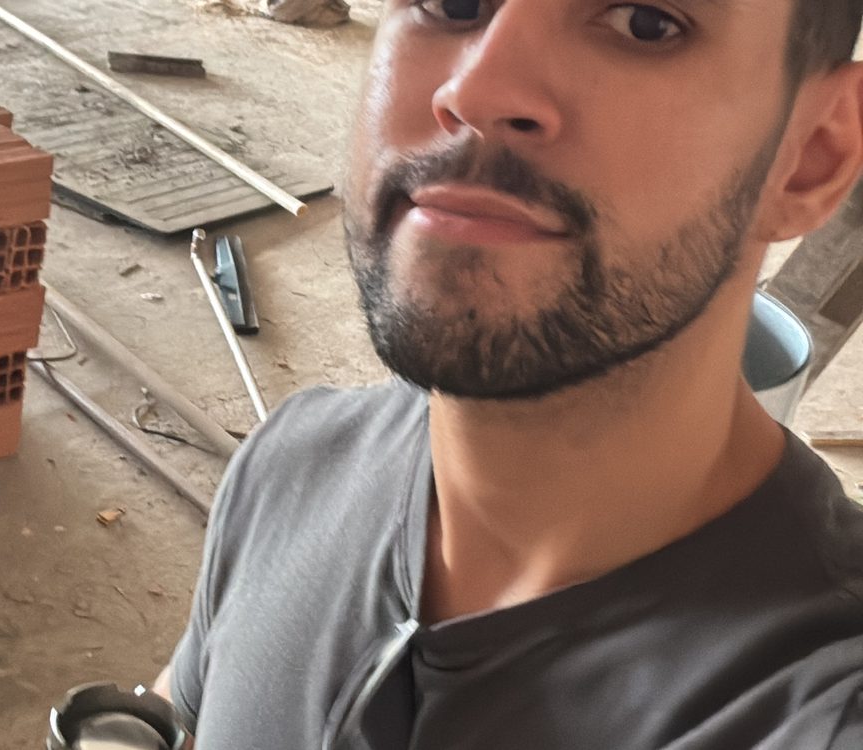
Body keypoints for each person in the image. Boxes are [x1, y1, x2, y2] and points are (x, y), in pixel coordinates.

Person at [157, 1, 863, 747]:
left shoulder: (818, 708)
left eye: (645, 23)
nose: (476, 89)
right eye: (453, 4)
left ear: (810, 156)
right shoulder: (293, 467)